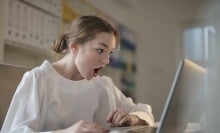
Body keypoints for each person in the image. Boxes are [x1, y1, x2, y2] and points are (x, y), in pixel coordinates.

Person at [1, 15, 154, 133]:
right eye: (100, 50)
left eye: (110, 53)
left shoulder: (103, 84)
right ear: (75, 47)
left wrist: (132, 119)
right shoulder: (38, 79)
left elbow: (145, 112)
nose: (107, 60)